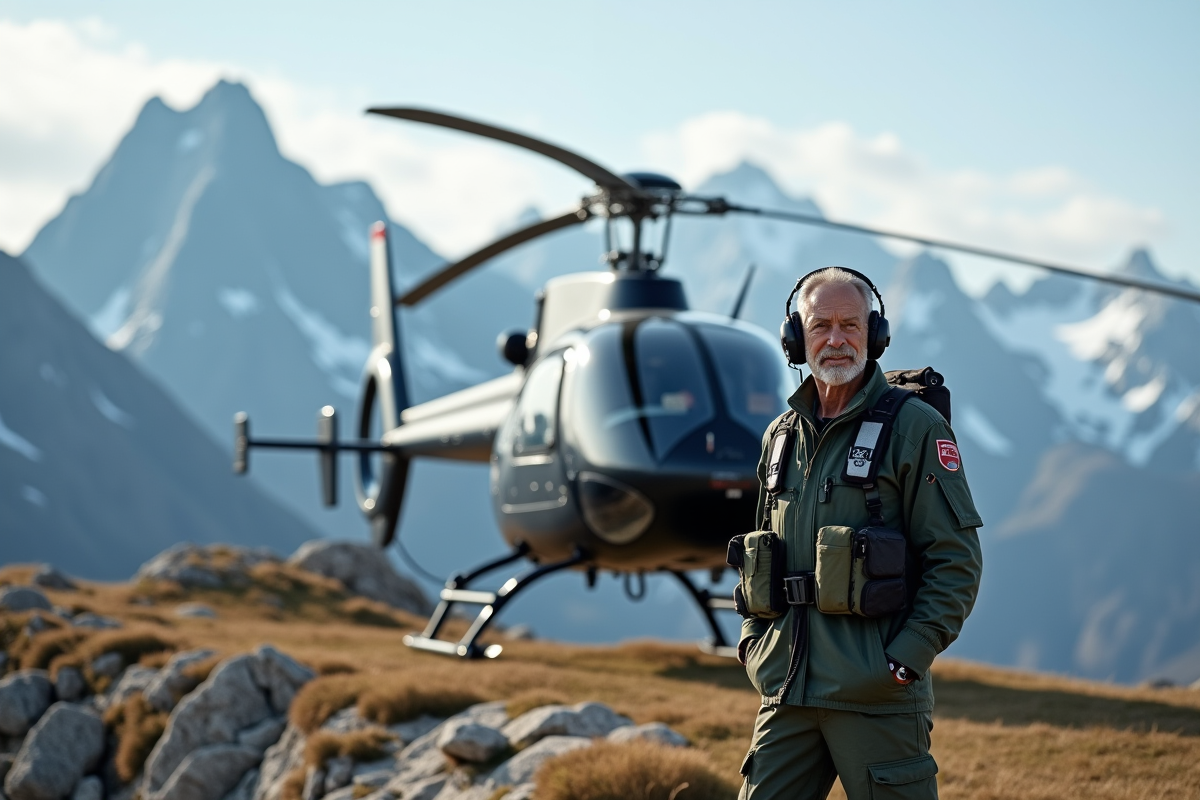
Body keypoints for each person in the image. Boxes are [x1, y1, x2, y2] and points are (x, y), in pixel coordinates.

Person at [737, 267, 983, 799]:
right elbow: (759, 554)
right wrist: (754, 645)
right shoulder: (780, 438)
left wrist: (902, 661)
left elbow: (956, 560)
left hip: (876, 696)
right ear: (795, 338)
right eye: (819, 324)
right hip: (786, 692)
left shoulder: (914, 427)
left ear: (874, 334)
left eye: (850, 324)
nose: (836, 338)